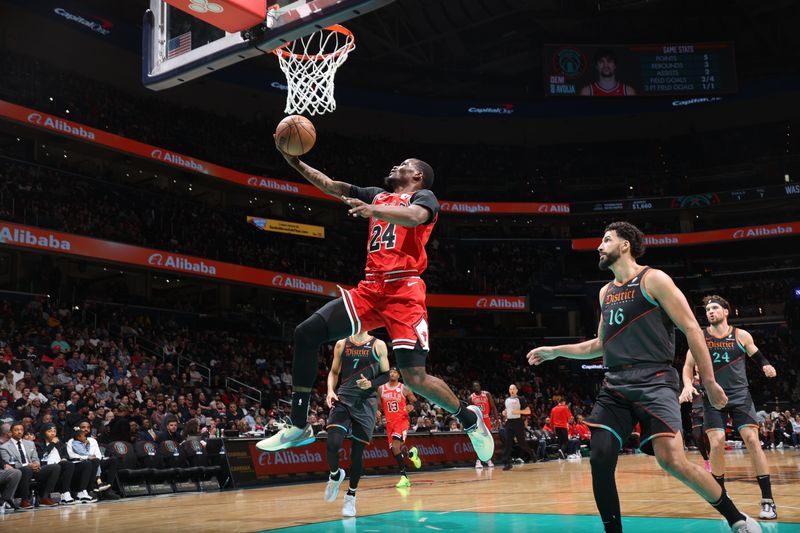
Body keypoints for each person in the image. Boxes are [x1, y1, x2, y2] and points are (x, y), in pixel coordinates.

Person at [257, 144, 493, 465]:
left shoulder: (423, 197)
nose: (396, 165)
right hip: (370, 288)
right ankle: (299, 425)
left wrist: (373, 212)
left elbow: (414, 219)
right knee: (305, 333)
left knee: (414, 379)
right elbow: (331, 185)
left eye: (404, 163)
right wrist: (295, 162)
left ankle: (468, 418)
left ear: (417, 175)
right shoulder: (377, 195)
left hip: (404, 290)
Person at [528, 221, 760, 533]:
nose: (599, 245)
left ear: (625, 245)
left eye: (606, 239)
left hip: (656, 381)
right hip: (615, 386)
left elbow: (691, 328)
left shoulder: (654, 280)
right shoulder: (604, 293)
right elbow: (598, 345)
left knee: (672, 461)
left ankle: (736, 517)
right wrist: (556, 351)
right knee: (599, 456)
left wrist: (708, 380)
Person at [679, 295, 778, 520]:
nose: (710, 312)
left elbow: (758, 356)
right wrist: (686, 385)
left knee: (752, 440)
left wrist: (767, 366)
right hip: (713, 398)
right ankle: (722, 497)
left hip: (740, 395)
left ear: (726, 311)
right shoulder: (699, 338)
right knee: (717, 442)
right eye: (707, 309)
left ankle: (768, 499)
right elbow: (687, 366)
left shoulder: (741, 335)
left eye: (715, 308)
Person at [322, 331, 389, 517]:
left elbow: (386, 375)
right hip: (343, 398)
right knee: (332, 444)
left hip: (366, 403)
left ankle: (351, 496)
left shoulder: (378, 345)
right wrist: (329, 390)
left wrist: (371, 383)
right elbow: (334, 372)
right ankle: (335, 475)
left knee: (356, 455)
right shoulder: (341, 344)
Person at [0, 421, 60, 509]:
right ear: (10, 432)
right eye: (16, 430)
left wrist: (36, 464)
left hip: (33, 469)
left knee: (55, 467)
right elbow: (10, 464)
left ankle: (44, 497)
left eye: (21, 430)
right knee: (27, 469)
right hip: (21, 470)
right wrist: (28, 466)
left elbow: (35, 458)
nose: (19, 432)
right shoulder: (4, 447)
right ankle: (24, 500)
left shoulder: (30, 443)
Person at [379, 367, 422, 487]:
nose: (392, 374)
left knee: (396, 448)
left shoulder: (404, 388)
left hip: (401, 421)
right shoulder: (381, 389)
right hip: (389, 423)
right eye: (390, 372)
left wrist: (412, 407)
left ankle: (404, 477)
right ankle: (411, 454)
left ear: (398, 375)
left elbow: (416, 403)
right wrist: (377, 412)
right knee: (395, 451)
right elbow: (378, 406)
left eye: (394, 372)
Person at [501, 384, 534, 470]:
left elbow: (528, 411)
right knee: (507, 442)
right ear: (509, 390)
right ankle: (507, 463)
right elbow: (507, 410)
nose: (512, 390)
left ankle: (531, 453)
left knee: (521, 443)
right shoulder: (507, 400)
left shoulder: (521, 399)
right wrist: (504, 412)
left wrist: (518, 411)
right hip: (509, 423)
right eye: (510, 389)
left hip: (518, 422)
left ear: (516, 390)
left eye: (513, 389)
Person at [469, 381, 498, 469]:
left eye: (478, 385)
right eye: (475, 386)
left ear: (480, 386)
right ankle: (478, 461)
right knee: (479, 441)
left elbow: (493, 407)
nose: (476, 387)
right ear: (473, 388)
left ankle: (488, 459)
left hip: (486, 419)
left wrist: (496, 419)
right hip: (477, 420)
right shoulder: (471, 397)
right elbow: (470, 411)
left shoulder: (487, 394)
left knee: (488, 439)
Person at [687, 369, 712, 472]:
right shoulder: (690, 380)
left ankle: (711, 458)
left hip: (707, 409)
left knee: (706, 435)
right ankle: (706, 459)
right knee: (698, 436)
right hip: (696, 411)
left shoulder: (708, 377)